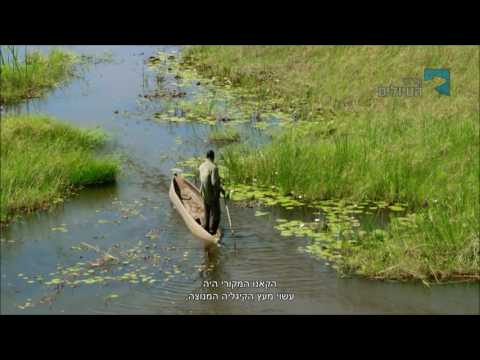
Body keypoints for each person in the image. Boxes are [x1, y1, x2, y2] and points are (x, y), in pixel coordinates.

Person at [199, 150, 225, 235]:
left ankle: (206, 228)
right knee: (216, 215)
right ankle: (212, 232)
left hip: (204, 194)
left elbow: (202, 181)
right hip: (212, 195)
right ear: (213, 157)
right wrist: (221, 189)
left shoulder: (201, 166)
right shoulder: (214, 167)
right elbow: (214, 183)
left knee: (207, 213)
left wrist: (200, 191)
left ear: (206, 157)